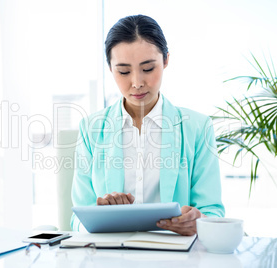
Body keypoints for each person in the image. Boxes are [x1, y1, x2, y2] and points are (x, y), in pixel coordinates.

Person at [71, 14, 224, 236]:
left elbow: (213, 212)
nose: (137, 82)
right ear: (110, 68)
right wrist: (99, 214)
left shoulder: (198, 128)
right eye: (123, 71)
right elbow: (77, 220)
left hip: (175, 255)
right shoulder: (90, 129)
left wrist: (200, 221)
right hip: (112, 255)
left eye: (148, 69)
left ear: (165, 60)